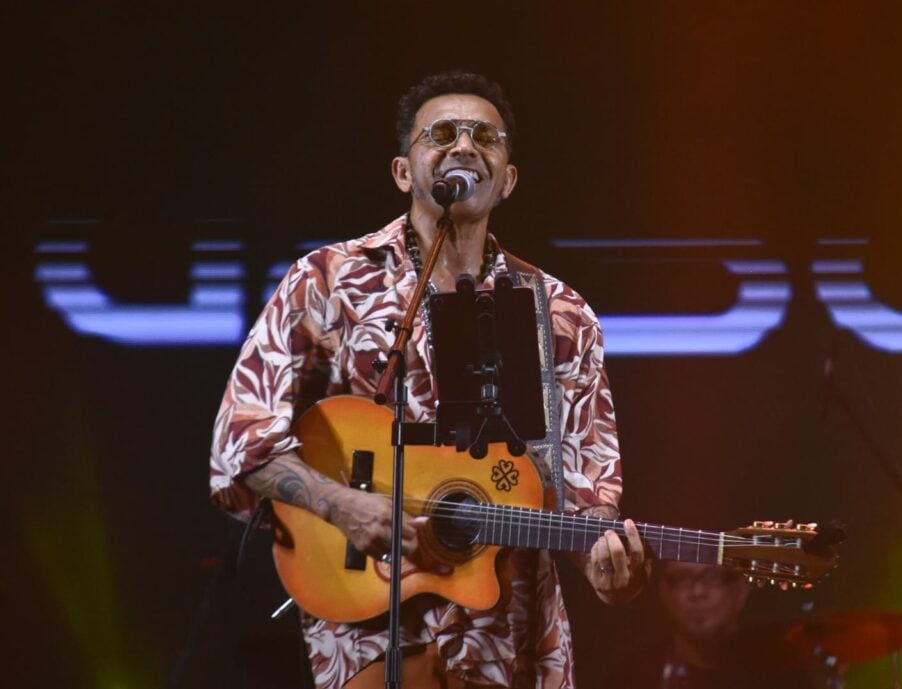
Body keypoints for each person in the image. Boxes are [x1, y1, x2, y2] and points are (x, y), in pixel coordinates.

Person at [209, 70, 648, 688]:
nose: (464, 146)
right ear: (402, 172)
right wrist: (341, 504)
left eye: (485, 137)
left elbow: (587, 489)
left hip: (512, 639)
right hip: (367, 625)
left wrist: (608, 564)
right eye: (441, 134)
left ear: (507, 180)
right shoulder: (328, 280)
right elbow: (240, 442)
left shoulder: (560, 312)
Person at [624, 561, 812, 689]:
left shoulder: (782, 677)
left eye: (712, 576)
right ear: (664, 591)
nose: (697, 591)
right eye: (683, 577)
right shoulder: (632, 676)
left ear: (741, 589)